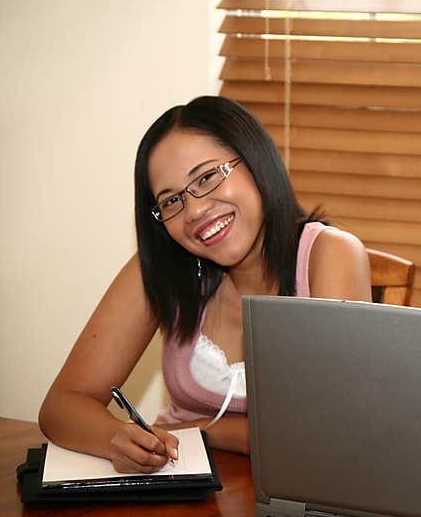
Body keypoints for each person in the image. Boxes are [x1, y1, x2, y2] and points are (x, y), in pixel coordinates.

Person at [39, 96, 372, 473]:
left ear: (256, 161)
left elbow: (332, 434)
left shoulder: (329, 254)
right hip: (183, 500)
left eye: (207, 177)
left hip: (298, 496)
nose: (195, 211)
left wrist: (195, 430)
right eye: (171, 201)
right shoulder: (164, 265)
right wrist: (116, 437)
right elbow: (61, 406)